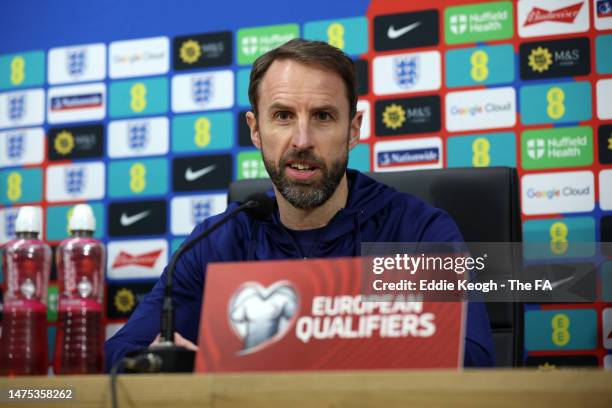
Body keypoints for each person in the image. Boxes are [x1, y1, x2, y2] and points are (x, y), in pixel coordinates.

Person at [105, 38, 495, 369]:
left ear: (353, 129)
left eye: (323, 116)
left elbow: (469, 359)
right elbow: (121, 353)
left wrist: (244, 361)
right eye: (283, 116)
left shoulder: (415, 232)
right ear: (256, 130)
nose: (302, 140)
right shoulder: (218, 242)